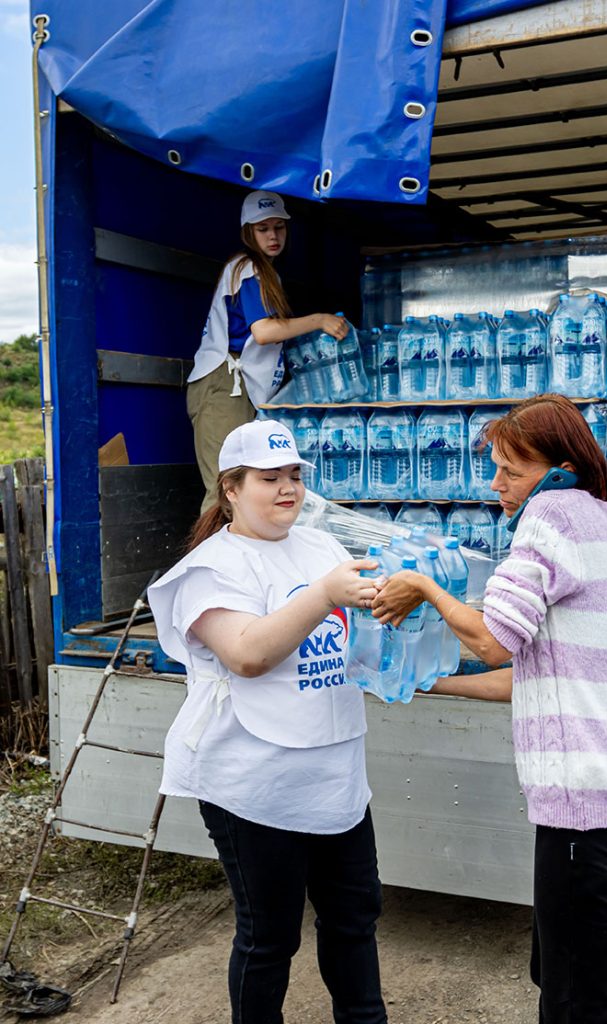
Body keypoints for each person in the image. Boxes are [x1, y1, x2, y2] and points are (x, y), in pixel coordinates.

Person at [372, 393, 607, 1024]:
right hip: (605, 800)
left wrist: (422, 586)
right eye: (495, 467)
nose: (496, 485)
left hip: (586, 802)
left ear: (560, 468)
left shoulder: (550, 517)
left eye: (511, 470)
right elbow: (526, 677)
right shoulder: (599, 523)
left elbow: (492, 640)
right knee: (562, 974)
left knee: (574, 999)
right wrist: (425, 685)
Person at [147, 419, 388, 1024]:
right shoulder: (212, 567)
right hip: (251, 781)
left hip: (333, 772)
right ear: (230, 488)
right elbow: (248, 654)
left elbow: (357, 640)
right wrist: (323, 594)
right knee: (270, 938)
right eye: (269, 478)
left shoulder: (321, 548)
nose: (287, 489)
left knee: (355, 921)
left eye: (295, 476)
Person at [187, 190, 348, 510]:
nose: (273, 236)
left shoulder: (265, 272)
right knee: (226, 488)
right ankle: (209, 559)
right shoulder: (247, 267)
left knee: (242, 486)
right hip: (224, 383)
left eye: (279, 227)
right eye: (263, 229)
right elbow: (263, 332)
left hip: (240, 386)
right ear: (248, 232)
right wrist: (319, 320)